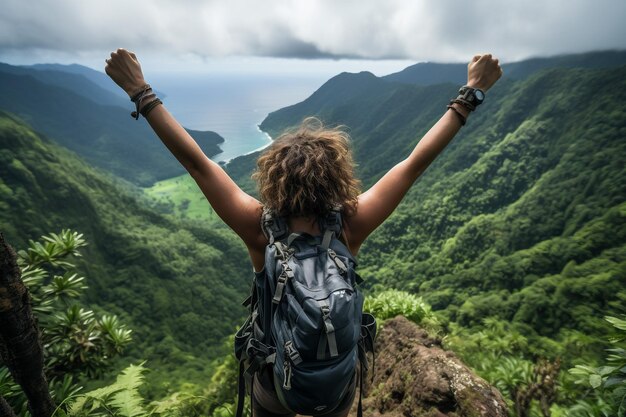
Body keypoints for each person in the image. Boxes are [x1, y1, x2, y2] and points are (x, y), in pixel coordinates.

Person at [105, 49, 502, 416]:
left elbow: (198, 164)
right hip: (337, 385)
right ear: (337, 178)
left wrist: (141, 92)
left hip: (274, 386)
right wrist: (471, 93)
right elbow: (414, 164)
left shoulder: (259, 229)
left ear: (273, 178)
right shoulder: (350, 224)